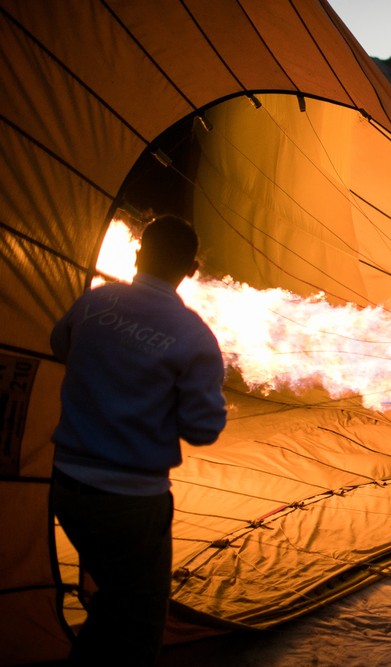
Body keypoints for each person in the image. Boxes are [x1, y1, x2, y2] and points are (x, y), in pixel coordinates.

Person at [49, 215, 228, 665]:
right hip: (131, 501)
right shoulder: (193, 335)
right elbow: (203, 429)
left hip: (66, 488)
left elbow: (59, 346)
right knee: (139, 621)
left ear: (137, 254)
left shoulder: (94, 301)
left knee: (115, 599)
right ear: (191, 269)